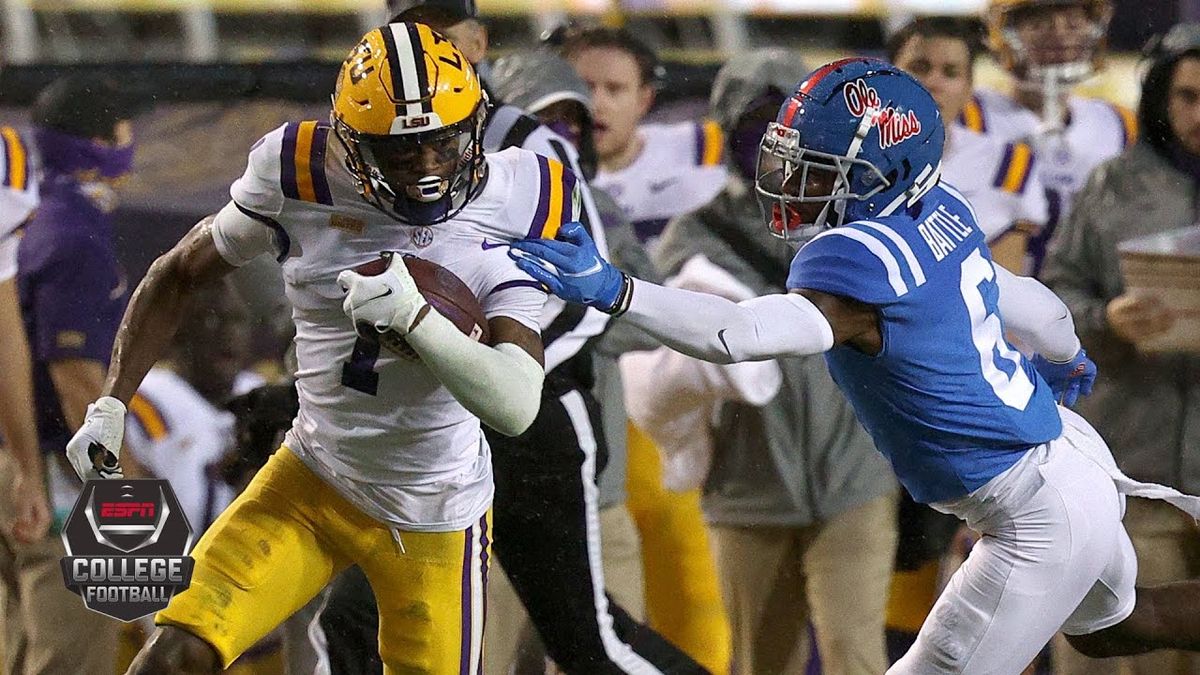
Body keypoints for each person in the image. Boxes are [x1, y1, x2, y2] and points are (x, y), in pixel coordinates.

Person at [510, 57, 1200, 674]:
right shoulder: (943, 207)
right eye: (794, 158)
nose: (791, 182)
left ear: (887, 175)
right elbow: (1037, 306)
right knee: (1126, 626)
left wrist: (616, 288)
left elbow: (739, 332)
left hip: (1030, 509)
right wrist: (1068, 354)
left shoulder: (855, 259)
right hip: (1072, 453)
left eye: (822, 170)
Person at [71, 23, 556, 674]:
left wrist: (418, 321)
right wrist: (111, 401)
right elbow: (180, 270)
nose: (429, 170)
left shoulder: (524, 194)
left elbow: (518, 403)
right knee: (174, 656)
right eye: (402, 152)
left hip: (436, 510)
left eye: (441, 142)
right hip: (313, 476)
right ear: (351, 146)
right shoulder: (299, 170)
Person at [312, 4, 708, 674]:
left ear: (478, 43)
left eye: (442, 33)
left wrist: (479, 363)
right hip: (431, 425)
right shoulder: (364, 143)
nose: (426, 48)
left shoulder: (528, 145)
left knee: (584, 642)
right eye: (410, 31)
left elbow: (584, 300)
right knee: (357, 616)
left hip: (524, 415)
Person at [632, 49, 899, 675]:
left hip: (856, 476)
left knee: (856, 656)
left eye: (791, 129)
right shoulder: (693, 239)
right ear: (730, 135)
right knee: (760, 663)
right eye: (759, 130)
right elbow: (654, 358)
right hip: (748, 485)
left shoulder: (863, 222)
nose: (778, 150)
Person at [1042, 23, 1200, 675]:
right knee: (1110, 651)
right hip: (1139, 478)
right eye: (1189, 96)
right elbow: (1051, 300)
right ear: (1161, 97)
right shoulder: (1110, 186)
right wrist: (1106, 316)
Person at [2, 75, 142, 675]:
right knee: (71, 655)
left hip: (16, 456)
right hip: (59, 466)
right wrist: (131, 491)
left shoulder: (33, 215)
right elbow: (76, 377)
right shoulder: (77, 230)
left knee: (18, 647)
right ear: (102, 142)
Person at [972, 0, 1136, 274]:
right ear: (1002, 30)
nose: (1059, 34)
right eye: (1039, 23)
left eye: (1073, 23)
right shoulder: (970, 116)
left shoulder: (1120, 124)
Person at [889, 16, 1048, 273]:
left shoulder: (1009, 163)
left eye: (950, 73)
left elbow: (1001, 289)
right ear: (888, 76)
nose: (933, 83)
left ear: (968, 90)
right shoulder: (850, 155)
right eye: (920, 67)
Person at [562, 26, 727, 250]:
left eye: (614, 89)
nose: (595, 104)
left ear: (644, 100)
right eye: (585, 86)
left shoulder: (699, 147)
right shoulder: (542, 169)